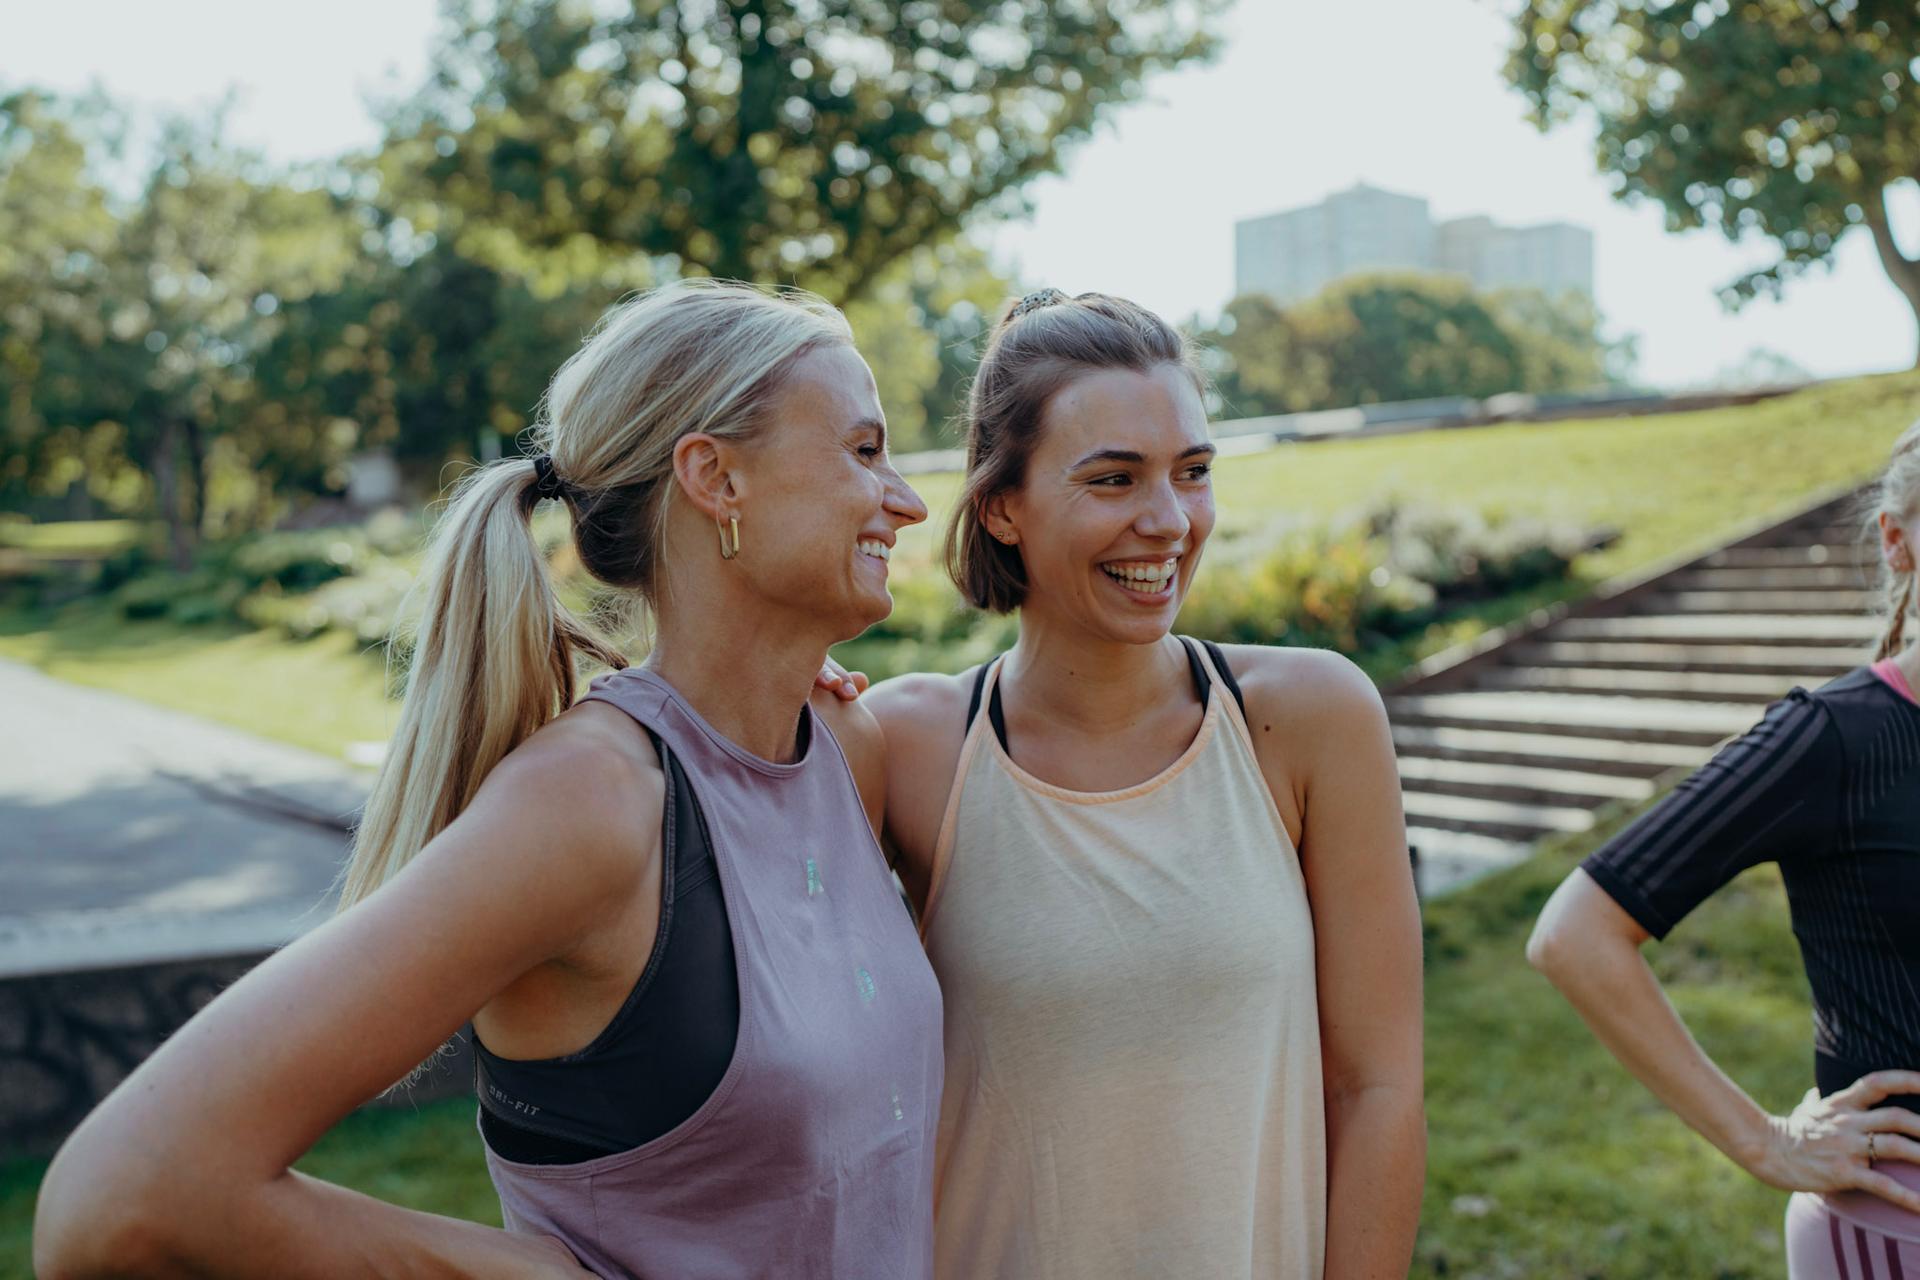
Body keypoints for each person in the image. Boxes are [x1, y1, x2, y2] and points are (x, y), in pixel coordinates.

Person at [33, 279, 942, 1279]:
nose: (907, 498)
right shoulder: (592, 804)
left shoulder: (843, 748)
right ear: (716, 478)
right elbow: (128, 1192)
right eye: (864, 451)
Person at [854, 289, 1426, 1278]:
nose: (1167, 521)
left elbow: (1377, 1088)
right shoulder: (903, 743)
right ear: (1002, 504)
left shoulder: (1311, 719)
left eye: (1192, 472)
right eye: (1113, 478)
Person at [1527, 422, 1920, 1276]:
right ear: (1899, 541)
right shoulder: (1832, 740)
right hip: (1896, 1233)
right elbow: (1576, 935)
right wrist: (1768, 1143)